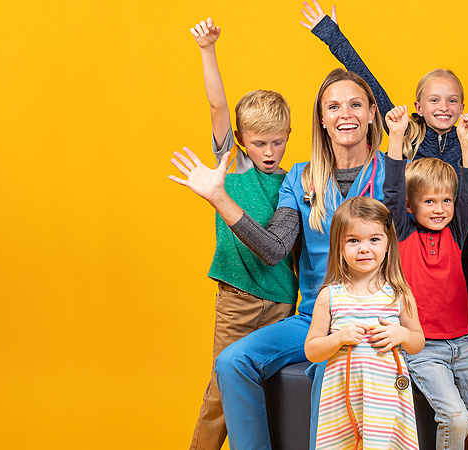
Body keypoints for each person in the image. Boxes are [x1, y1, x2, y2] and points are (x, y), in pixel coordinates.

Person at [299, 0, 468, 316]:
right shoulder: (407, 133)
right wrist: (331, 33)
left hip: (460, 249)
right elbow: (367, 81)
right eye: (434, 100)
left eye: (452, 100)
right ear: (418, 105)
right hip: (413, 250)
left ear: (461, 106)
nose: (444, 107)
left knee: (457, 328)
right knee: (415, 330)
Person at [169, 68, 386, 450]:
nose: (344, 114)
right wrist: (219, 197)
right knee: (233, 362)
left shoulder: (395, 172)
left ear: (372, 112)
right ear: (321, 118)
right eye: (333, 106)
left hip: (375, 315)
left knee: (329, 380)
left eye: (355, 104)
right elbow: (273, 249)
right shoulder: (299, 178)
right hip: (313, 317)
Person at [183, 17, 298, 450]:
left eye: (277, 142)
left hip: (283, 302)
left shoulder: (294, 182)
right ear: (242, 141)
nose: (269, 153)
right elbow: (217, 107)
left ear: (288, 136)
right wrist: (207, 50)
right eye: (259, 143)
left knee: (269, 391)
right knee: (222, 393)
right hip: (238, 300)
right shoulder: (231, 169)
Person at [383, 105, 468, 449]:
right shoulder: (403, 233)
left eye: (446, 200)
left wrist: (467, 145)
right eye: (430, 201)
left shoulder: (455, 231)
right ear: (410, 206)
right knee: (455, 419)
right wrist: (397, 137)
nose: (440, 209)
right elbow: (391, 193)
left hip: (462, 345)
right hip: (423, 348)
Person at [305, 196, 425, 450]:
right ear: (338, 246)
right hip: (341, 400)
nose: (364, 248)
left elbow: (417, 342)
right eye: (353, 241)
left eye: (374, 239)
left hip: (386, 400)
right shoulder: (330, 296)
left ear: (388, 244)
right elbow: (312, 350)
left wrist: (401, 334)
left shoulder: (399, 294)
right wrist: (338, 337)